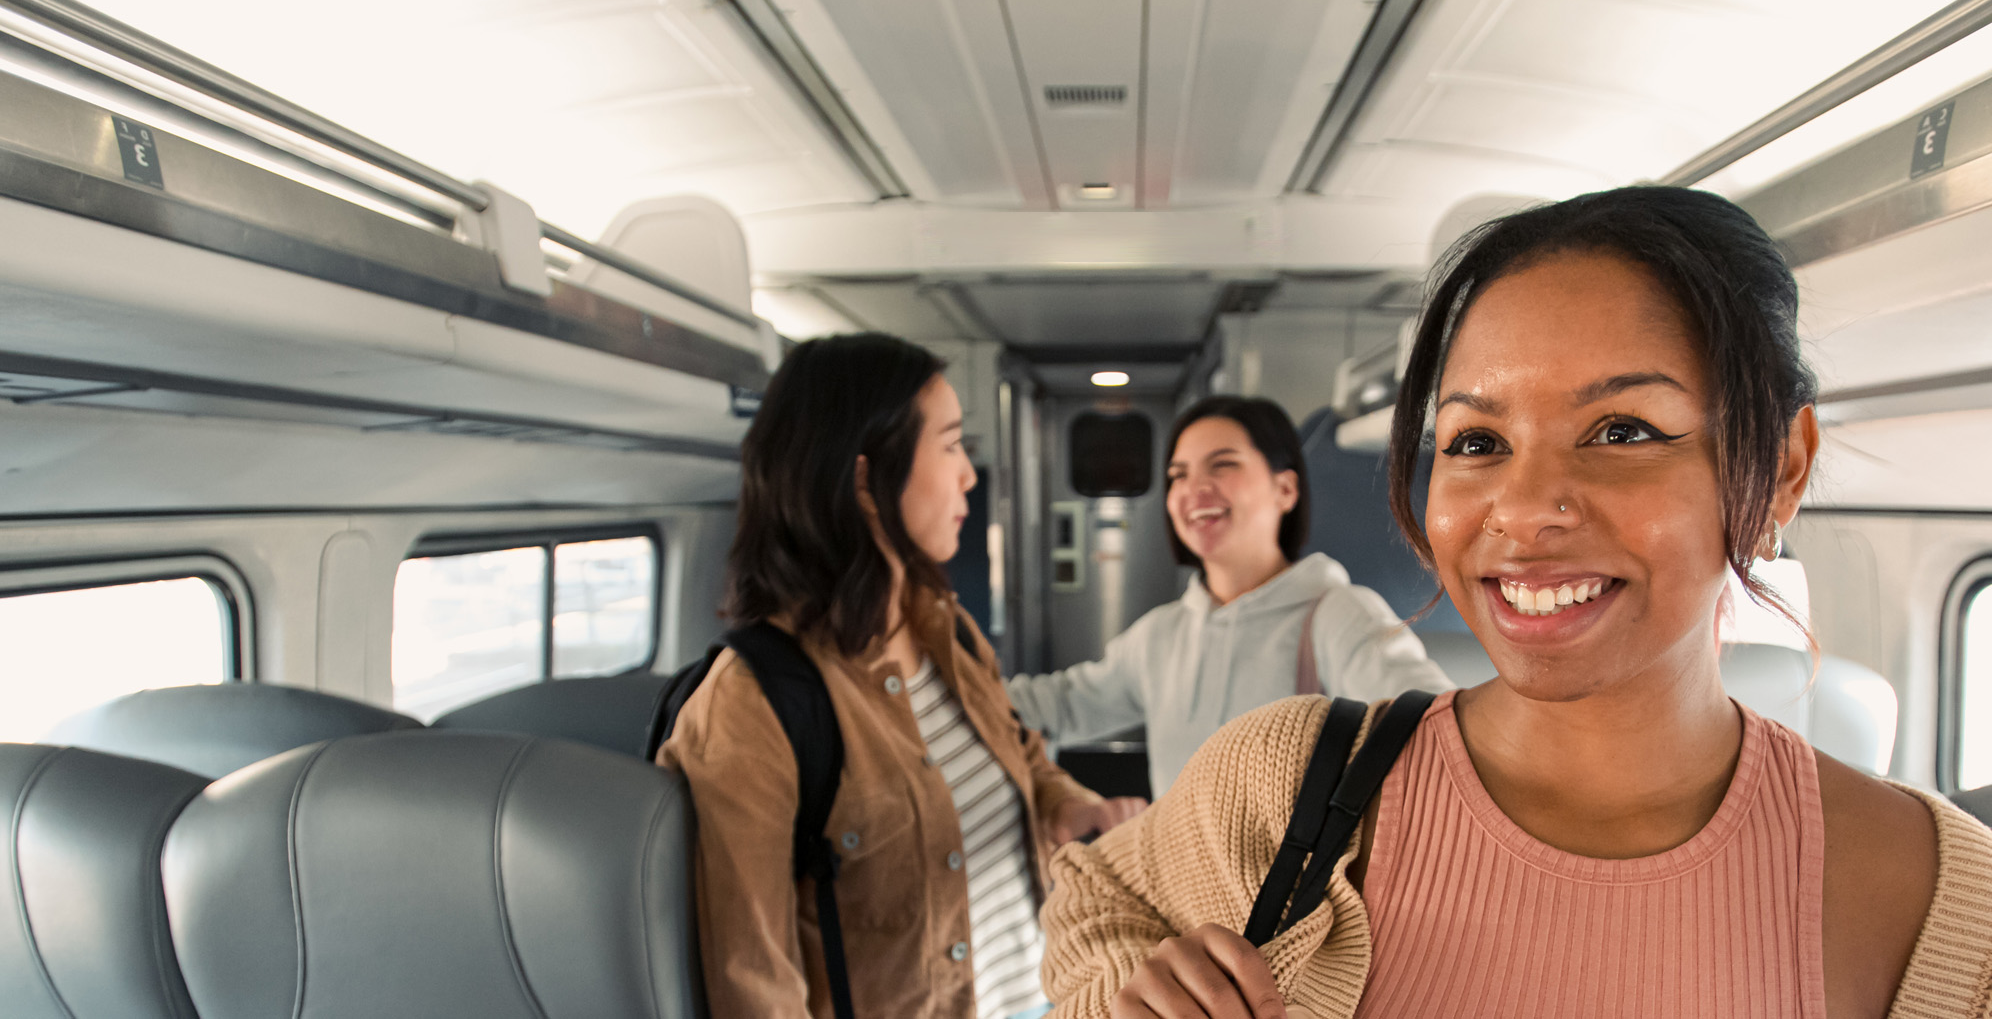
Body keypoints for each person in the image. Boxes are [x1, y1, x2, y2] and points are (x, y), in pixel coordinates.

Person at [1037, 187, 1992, 1018]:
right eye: (1476, 442)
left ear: (1780, 468)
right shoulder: (1287, 783)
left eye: (1621, 429)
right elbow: (1093, 901)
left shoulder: (1937, 898)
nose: (1525, 508)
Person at [659, 332, 1145, 1019]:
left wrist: (1067, 804)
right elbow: (755, 987)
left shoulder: (945, 629)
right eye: (949, 444)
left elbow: (1022, 752)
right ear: (865, 480)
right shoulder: (749, 705)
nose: (970, 474)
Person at [1006, 396, 1453, 797]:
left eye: (1223, 465)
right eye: (1178, 475)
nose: (1194, 489)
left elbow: (1433, 730)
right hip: (1184, 885)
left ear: (1286, 489)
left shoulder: (1337, 616)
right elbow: (1060, 707)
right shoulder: (1161, 636)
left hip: (1292, 889)